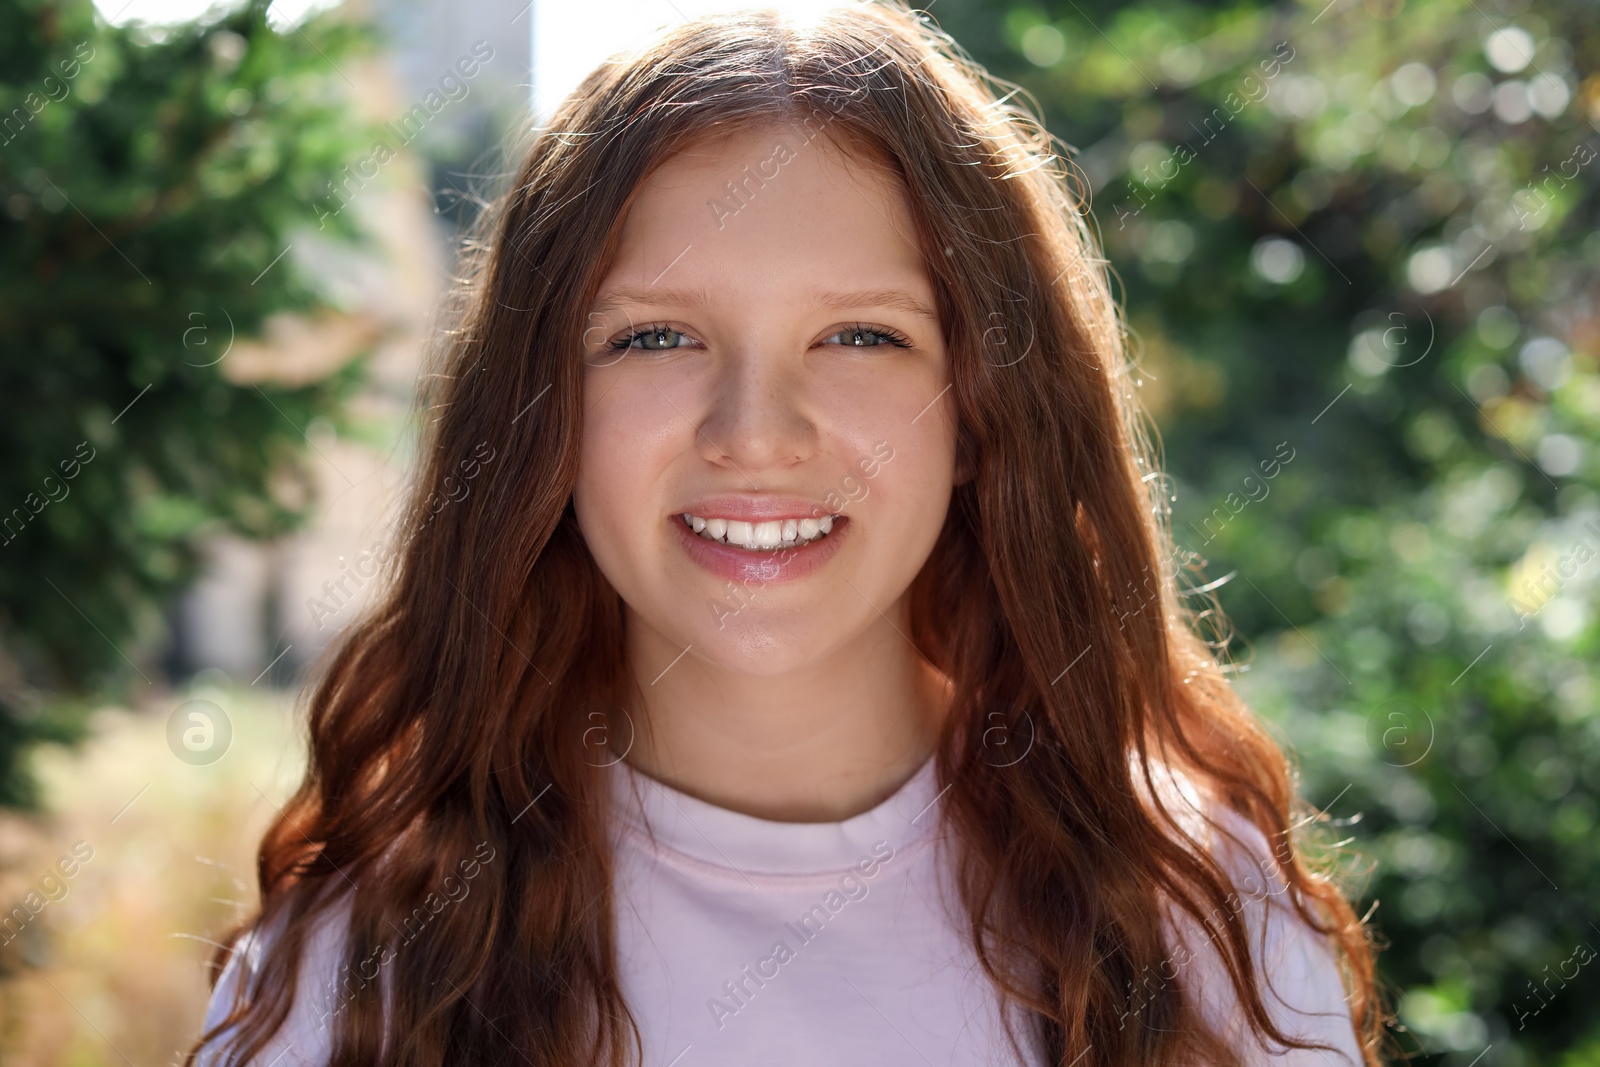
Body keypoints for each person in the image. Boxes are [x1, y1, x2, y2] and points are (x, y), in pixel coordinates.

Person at [188, 3, 1388, 1065]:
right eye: (655, 337)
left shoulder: (1197, 917)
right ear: (538, 413)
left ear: (982, 409)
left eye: (862, 336)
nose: (754, 434)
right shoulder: (367, 966)